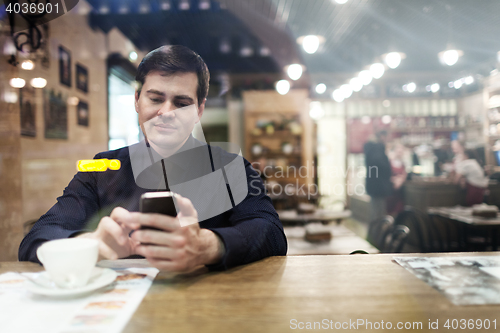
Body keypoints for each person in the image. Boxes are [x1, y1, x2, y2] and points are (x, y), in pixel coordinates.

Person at [19, 45, 287, 272]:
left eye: (181, 103)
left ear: (199, 111)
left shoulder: (231, 168)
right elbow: (38, 238)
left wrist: (206, 245)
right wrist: (92, 243)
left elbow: (271, 232)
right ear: (137, 100)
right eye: (155, 98)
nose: (166, 112)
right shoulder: (100, 169)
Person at [363, 130, 392, 221]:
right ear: (382, 136)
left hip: (373, 185)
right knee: (378, 214)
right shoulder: (378, 149)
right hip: (379, 186)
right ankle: (377, 233)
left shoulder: (370, 148)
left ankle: (374, 233)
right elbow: (382, 166)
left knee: (375, 211)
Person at [387, 142, 407, 216]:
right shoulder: (389, 162)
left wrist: (401, 180)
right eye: (398, 149)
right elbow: (386, 175)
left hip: (399, 194)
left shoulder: (403, 164)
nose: (400, 151)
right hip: (390, 193)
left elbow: (404, 175)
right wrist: (393, 180)